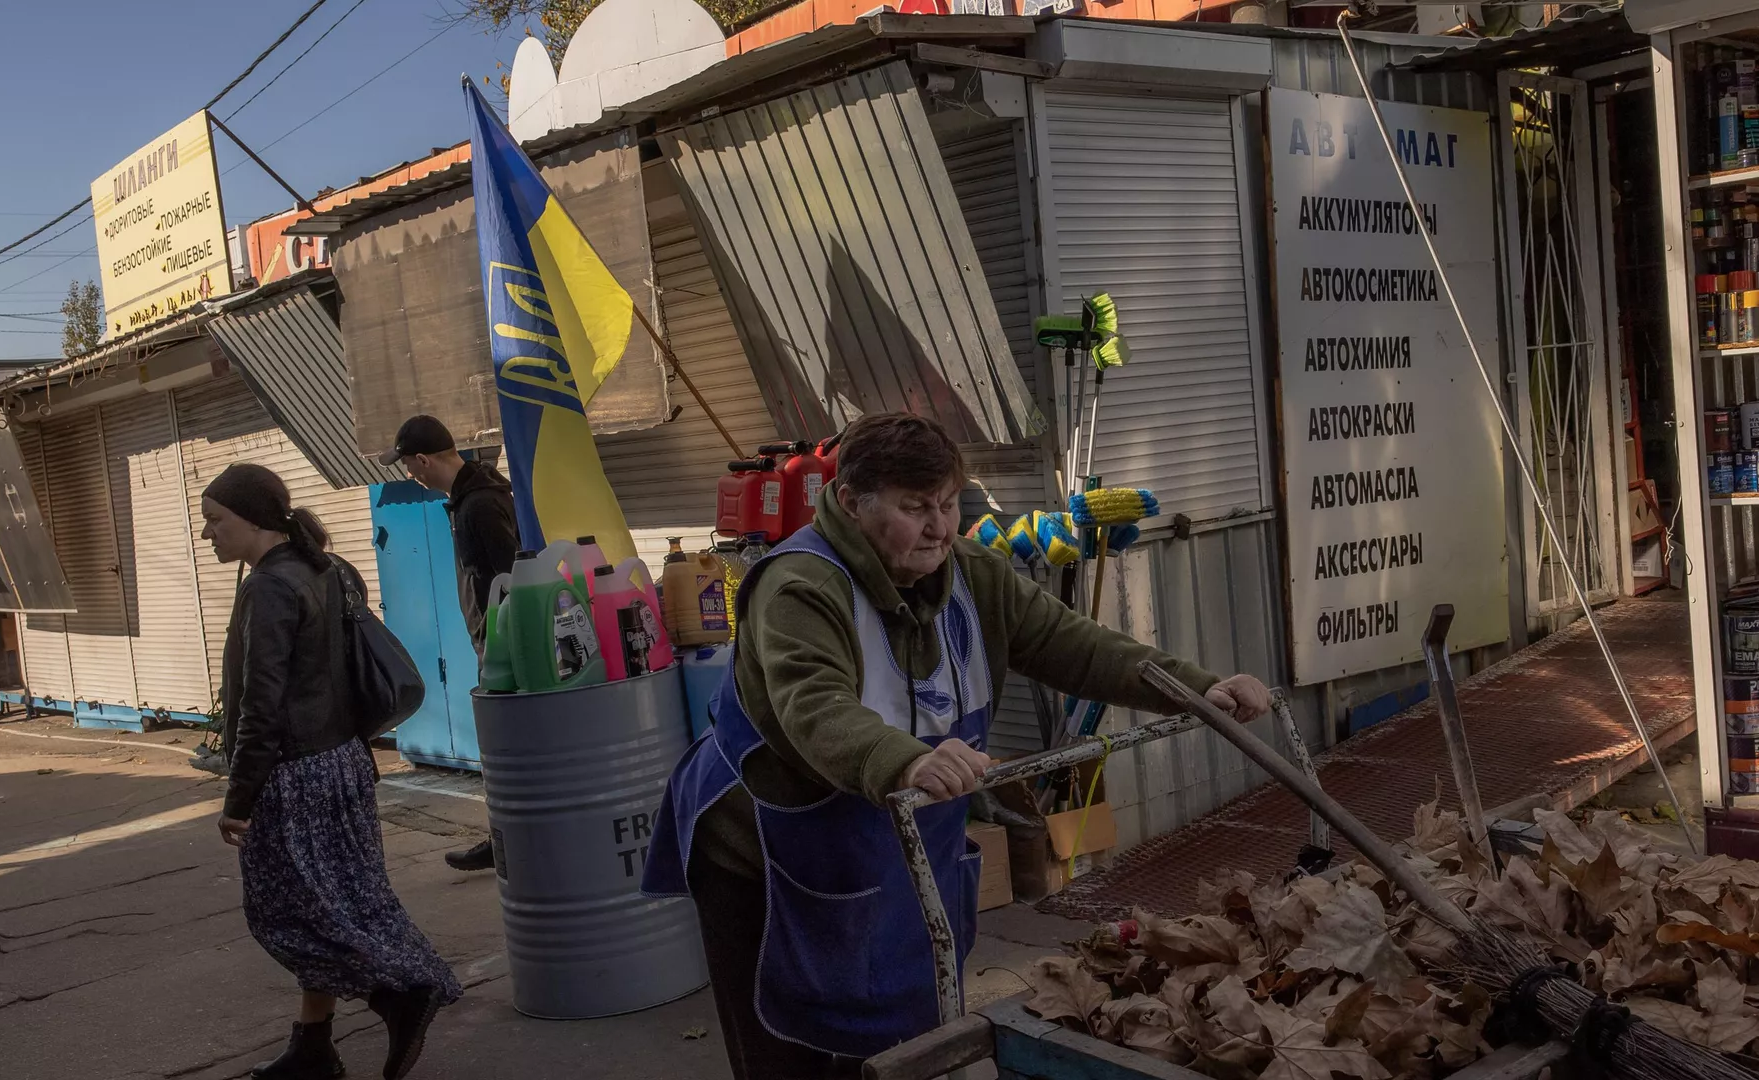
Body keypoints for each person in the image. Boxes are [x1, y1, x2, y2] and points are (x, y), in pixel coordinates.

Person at [642, 413, 1272, 1080]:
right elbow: (815, 707)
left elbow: (1077, 647)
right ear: (853, 503)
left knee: (897, 1031)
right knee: (788, 1046)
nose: (940, 527)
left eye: (947, 504)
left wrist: (1198, 689)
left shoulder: (972, 574)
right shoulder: (800, 586)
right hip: (766, 849)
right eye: (916, 508)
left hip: (886, 839)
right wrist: (907, 759)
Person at [203, 463, 460, 1080]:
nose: (208, 534)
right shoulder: (327, 567)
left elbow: (261, 705)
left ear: (253, 519)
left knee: (289, 915)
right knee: (349, 899)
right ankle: (313, 1045)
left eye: (216, 521)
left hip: (291, 777)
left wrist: (239, 797)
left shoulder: (268, 587)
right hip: (344, 763)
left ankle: (397, 994)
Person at [380, 415, 518, 872]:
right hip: (490, 642)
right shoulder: (468, 499)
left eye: (407, 466)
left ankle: (510, 843)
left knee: (505, 754)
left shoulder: (479, 505)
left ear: (422, 460)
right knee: (501, 753)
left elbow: (509, 580)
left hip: (504, 647)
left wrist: (500, 641)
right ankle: (507, 839)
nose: (408, 475)